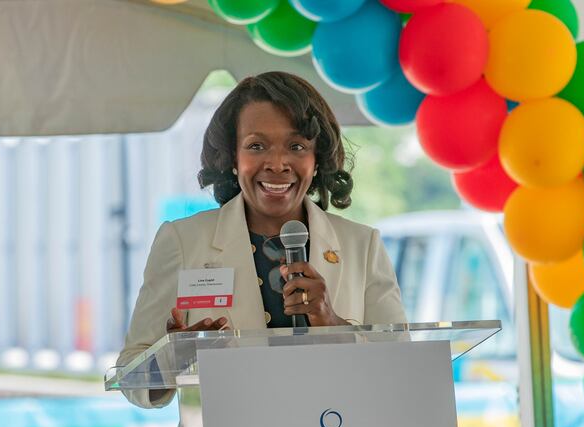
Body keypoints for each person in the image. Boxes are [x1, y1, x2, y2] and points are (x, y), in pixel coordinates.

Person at [117, 71, 407, 409]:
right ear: (232, 158)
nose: (277, 163)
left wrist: (333, 324)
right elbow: (129, 375)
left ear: (317, 160)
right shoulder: (182, 241)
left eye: (296, 146)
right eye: (256, 146)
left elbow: (402, 368)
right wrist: (176, 355)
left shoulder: (362, 245)